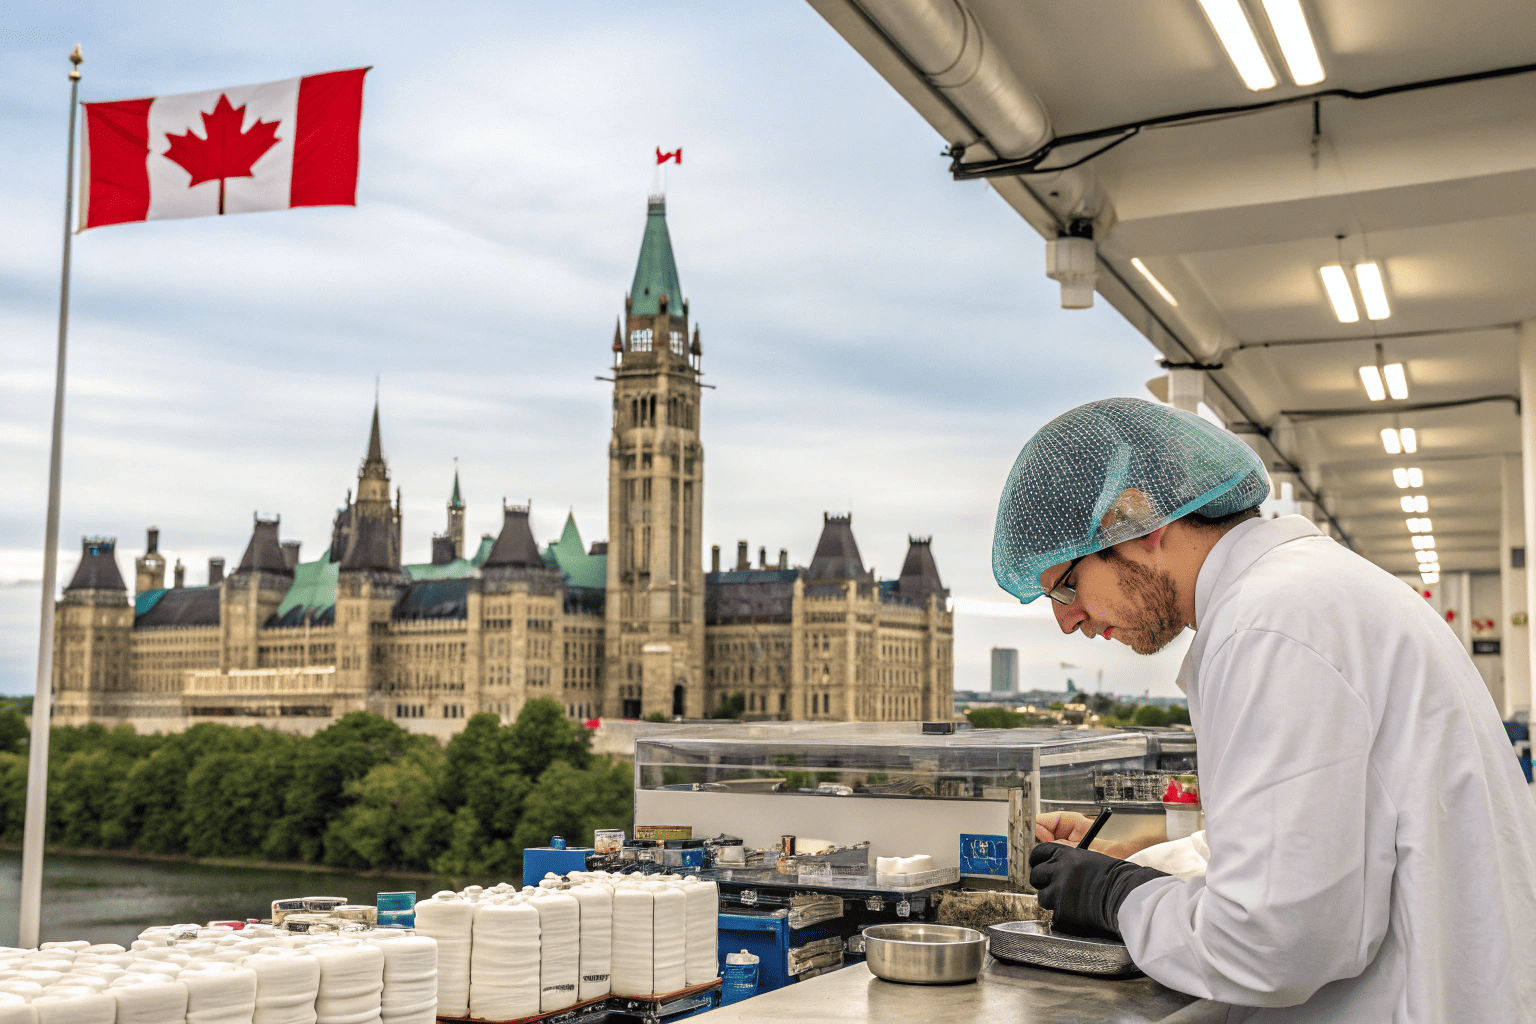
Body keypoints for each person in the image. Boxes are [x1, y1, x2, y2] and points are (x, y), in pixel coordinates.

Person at [992, 398, 1536, 1022]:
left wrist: (1119, 897)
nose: (1067, 621)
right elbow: (1321, 841)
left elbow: (1271, 943)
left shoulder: (1269, 628)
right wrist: (1126, 853)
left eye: (1065, 585)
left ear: (1138, 522)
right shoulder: (1305, 594)